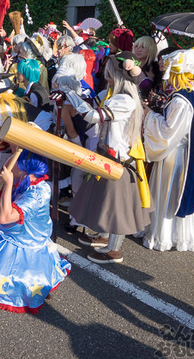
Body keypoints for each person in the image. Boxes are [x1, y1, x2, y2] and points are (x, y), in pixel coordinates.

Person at [0, 152, 71, 313]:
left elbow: (4, 218)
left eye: (16, 161)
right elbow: (9, 163)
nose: (11, 163)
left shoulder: (36, 194)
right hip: (14, 232)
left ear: (25, 168)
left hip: (26, 241)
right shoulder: (30, 180)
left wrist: (8, 184)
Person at [64, 53, 149, 264]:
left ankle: (114, 251)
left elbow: (94, 116)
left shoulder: (125, 100)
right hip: (108, 154)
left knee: (117, 207)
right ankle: (103, 237)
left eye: (109, 72)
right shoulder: (114, 95)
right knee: (103, 200)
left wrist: (68, 94)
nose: (106, 76)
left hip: (120, 160)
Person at [142, 43, 194, 252]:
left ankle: (162, 237)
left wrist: (149, 114)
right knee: (176, 193)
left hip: (175, 154)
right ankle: (177, 237)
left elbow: (168, 132)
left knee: (168, 193)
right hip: (185, 151)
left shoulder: (181, 99)